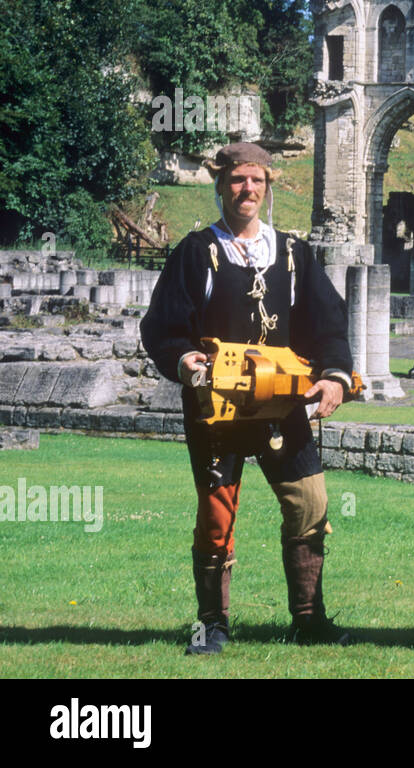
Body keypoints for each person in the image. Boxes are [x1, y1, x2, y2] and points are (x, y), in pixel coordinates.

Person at [140, 142, 355, 655]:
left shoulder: (293, 253)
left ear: (268, 185)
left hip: (283, 405)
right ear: (220, 185)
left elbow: (328, 322)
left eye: (257, 180)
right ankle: (212, 626)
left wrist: (333, 377)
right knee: (217, 516)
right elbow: (164, 327)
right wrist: (185, 360)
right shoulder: (197, 252)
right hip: (219, 409)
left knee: (311, 503)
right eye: (238, 180)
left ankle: (309, 619)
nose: (248, 189)